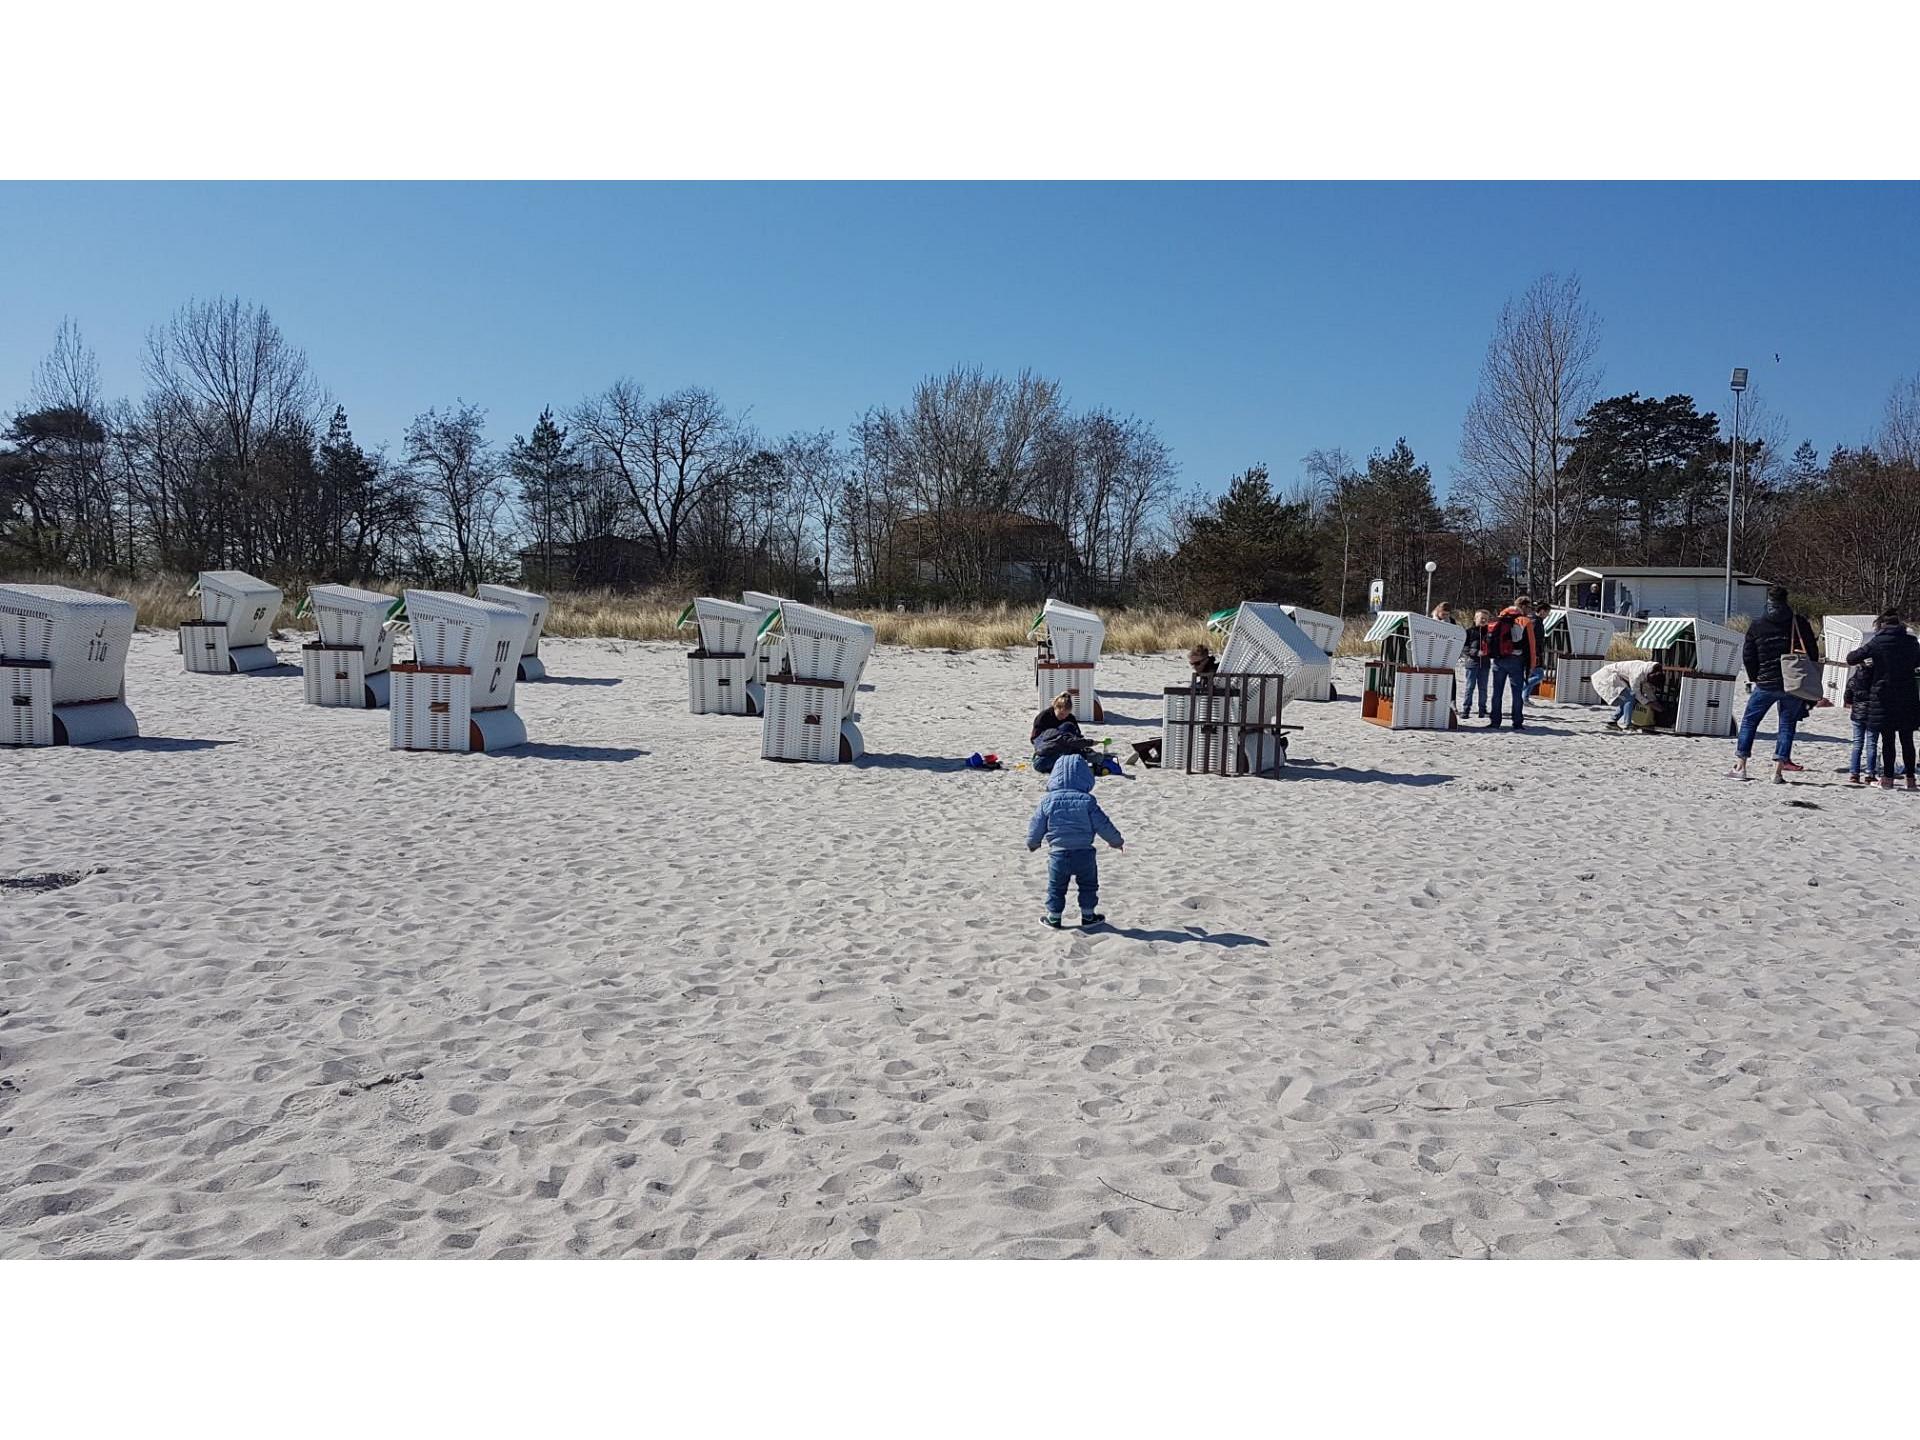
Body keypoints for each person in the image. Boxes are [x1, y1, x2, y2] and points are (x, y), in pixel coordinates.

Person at [1728, 584, 1821, 783]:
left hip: (1766, 681)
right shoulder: (1798, 622)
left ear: (1768, 601)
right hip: (1793, 683)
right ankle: (1777, 772)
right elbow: (1813, 653)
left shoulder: (1757, 625)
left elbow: (1748, 655)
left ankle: (1740, 766)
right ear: (1786, 601)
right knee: (1787, 725)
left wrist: (1755, 677)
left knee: (1750, 721)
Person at [1025, 752, 1124, 928]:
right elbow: (1103, 823)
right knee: (1088, 885)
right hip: (1085, 853)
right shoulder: (1087, 801)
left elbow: (1037, 824)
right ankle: (1088, 916)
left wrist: (1033, 843)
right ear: (1085, 776)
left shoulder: (1047, 801)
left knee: (1056, 887)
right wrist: (1116, 841)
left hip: (1058, 853)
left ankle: (1054, 917)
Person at [1844, 611, 1920, 792]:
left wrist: (1871, 661)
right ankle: (1911, 779)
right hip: (1907, 694)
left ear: (1882, 626)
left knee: (1888, 739)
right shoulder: (1911, 642)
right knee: (1907, 739)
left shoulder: (1878, 642)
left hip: (1884, 695)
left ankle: (1887, 779)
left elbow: (1851, 658)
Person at [1484, 595, 1541, 730]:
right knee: (1516, 693)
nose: (1529, 610)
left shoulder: (1500, 617)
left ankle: (1495, 721)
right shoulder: (1523, 620)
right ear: (1523, 606)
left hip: (1498, 659)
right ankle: (1517, 721)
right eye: (1528, 607)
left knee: (1497, 692)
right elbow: (1530, 645)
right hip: (1516, 660)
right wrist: (1532, 665)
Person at [1592, 659, 1664, 731]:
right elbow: (1636, 693)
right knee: (1630, 697)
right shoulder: (1637, 673)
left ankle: (1612, 721)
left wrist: (1654, 701)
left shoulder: (1649, 671)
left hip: (1616, 678)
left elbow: (1648, 689)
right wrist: (1649, 703)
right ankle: (1627, 725)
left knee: (1627, 698)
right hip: (1606, 676)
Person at [1030, 691, 1087, 774]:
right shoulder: (1044, 716)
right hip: (1047, 747)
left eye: (1066, 715)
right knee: (1041, 764)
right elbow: (1035, 739)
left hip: (1065, 746)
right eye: (1061, 714)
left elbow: (1077, 736)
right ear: (1055, 707)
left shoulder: (1070, 718)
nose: (1064, 717)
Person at [1844, 658, 1881, 786]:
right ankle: (1870, 774)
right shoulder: (1877, 680)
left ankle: (1854, 773)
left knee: (1857, 743)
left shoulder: (1853, 680)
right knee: (1872, 744)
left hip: (1857, 714)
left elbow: (1847, 698)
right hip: (1873, 714)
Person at [1459, 609, 1491, 718]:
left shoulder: (1490, 633)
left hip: (1485, 664)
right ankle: (1466, 710)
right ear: (1475, 619)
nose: (1483, 620)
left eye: (1486, 619)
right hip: (1472, 663)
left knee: (1483, 688)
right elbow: (1464, 648)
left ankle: (1482, 710)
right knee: (1469, 687)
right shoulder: (1469, 632)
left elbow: (1494, 646)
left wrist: (1490, 651)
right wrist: (1476, 652)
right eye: (1481, 618)